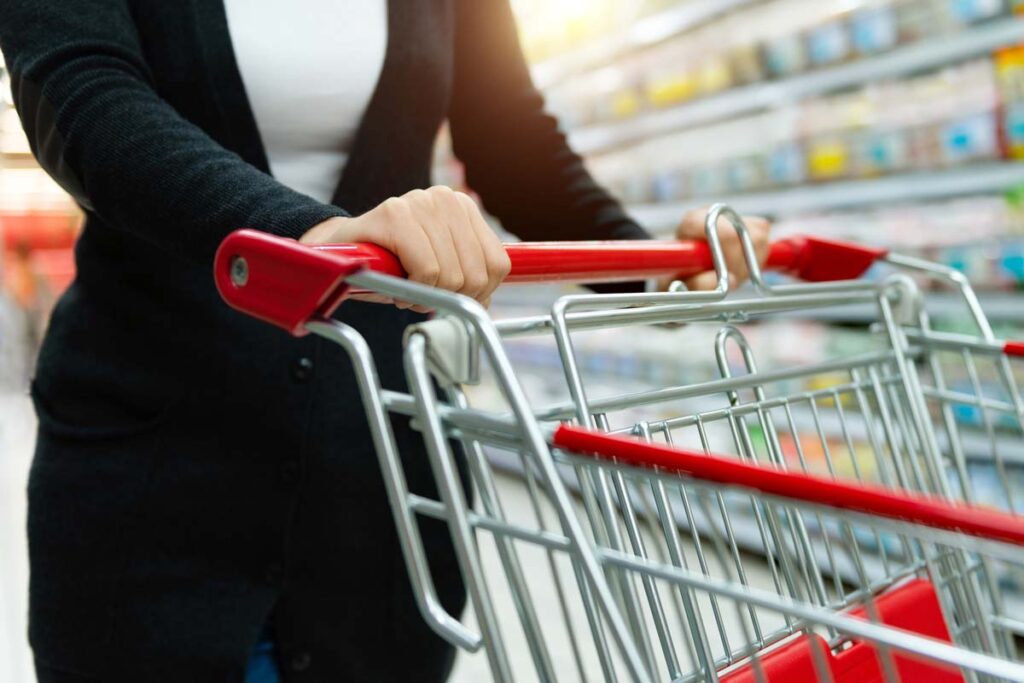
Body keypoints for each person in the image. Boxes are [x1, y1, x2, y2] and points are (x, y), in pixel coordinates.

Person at [0, 1, 770, 681]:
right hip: (154, 481)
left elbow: (511, 144)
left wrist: (657, 267)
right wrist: (307, 236)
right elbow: (82, 94)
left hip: (375, 489)